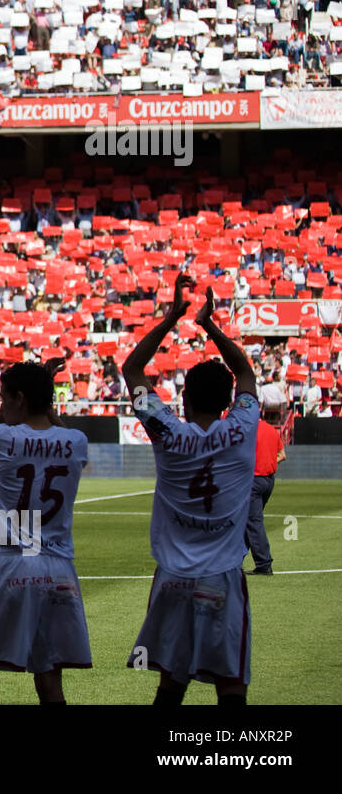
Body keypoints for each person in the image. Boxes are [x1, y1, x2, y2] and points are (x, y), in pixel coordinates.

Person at [121, 275, 259, 705]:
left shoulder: (166, 432)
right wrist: (209, 325)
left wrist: (171, 318)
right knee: (230, 684)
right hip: (221, 577)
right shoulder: (242, 428)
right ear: (227, 402)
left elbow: (131, 369)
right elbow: (245, 372)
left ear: (183, 399)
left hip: (173, 579)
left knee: (171, 682)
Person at [0, 360, 92, 704]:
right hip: (60, 568)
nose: (1, 405)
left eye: (4, 398)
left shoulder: (2, 436)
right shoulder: (76, 440)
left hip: (14, 562)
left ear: (18, 398)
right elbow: (58, 432)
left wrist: (16, 405)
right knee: (49, 676)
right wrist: (42, 394)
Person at [245, 405, 285, 576]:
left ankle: (263, 563)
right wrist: (269, 461)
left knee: (253, 522)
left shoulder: (247, 430)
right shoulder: (272, 430)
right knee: (249, 520)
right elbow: (282, 455)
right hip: (268, 481)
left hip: (253, 481)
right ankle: (234, 560)